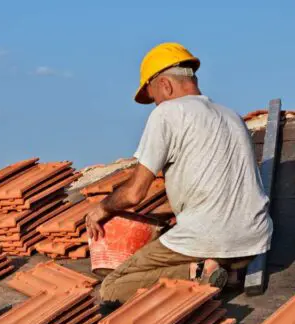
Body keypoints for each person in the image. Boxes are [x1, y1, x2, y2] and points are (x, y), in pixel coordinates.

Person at [87, 42, 273, 304]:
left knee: (113, 286)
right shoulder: (231, 116)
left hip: (208, 237)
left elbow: (134, 193)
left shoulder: (167, 113)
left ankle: (199, 272)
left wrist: (101, 209)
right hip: (254, 239)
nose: (156, 104)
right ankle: (224, 272)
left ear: (165, 85)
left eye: (154, 97)